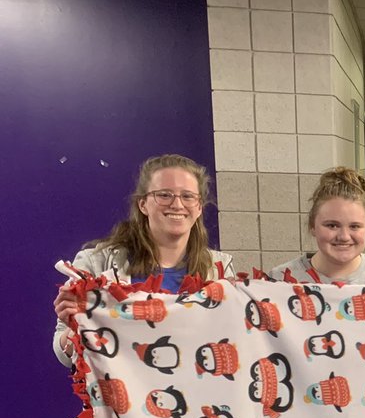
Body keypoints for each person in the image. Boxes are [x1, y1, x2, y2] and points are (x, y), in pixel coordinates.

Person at [52, 153, 233, 365]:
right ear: (143, 204)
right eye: (164, 195)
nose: (177, 204)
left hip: (200, 396)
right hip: (122, 397)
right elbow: (64, 352)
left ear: (199, 206)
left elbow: (233, 339)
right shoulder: (95, 263)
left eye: (187, 196)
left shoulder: (219, 270)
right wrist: (74, 326)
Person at [269, 167, 365, 283]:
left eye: (355, 226)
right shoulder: (280, 280)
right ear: (312, 226)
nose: (344, 237)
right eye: (332, 225)